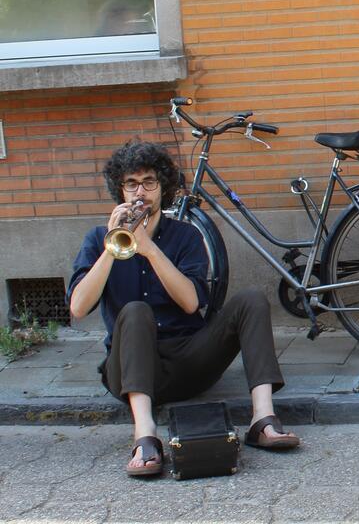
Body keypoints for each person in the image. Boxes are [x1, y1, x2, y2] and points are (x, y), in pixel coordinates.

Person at [68, 139, 300, 477]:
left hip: (189, 361)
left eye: (149, 181)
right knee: (134, 311)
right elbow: (78, 307)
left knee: (251, 299)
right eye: (131, 183)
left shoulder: (186, 236)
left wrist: (149, 249)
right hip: (128, 371)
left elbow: (191, 302)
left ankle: (262, 420)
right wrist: (112, 245)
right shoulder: (97, 239)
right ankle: (145, 435)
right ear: (119, 189)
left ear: (164, 187)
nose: (140, 192)